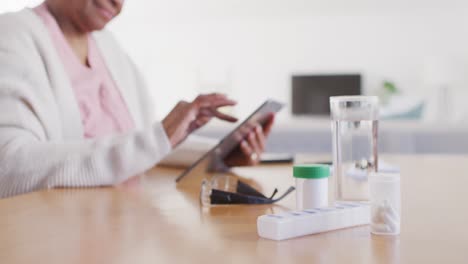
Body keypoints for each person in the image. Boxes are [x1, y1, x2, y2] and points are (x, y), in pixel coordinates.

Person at [0, 0, 275, 198]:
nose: (118, 3)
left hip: (125, 224)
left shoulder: (109, 48)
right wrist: (159, 136)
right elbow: (9, 167)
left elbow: (137, 148)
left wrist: (217, 156)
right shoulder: (13, 34)